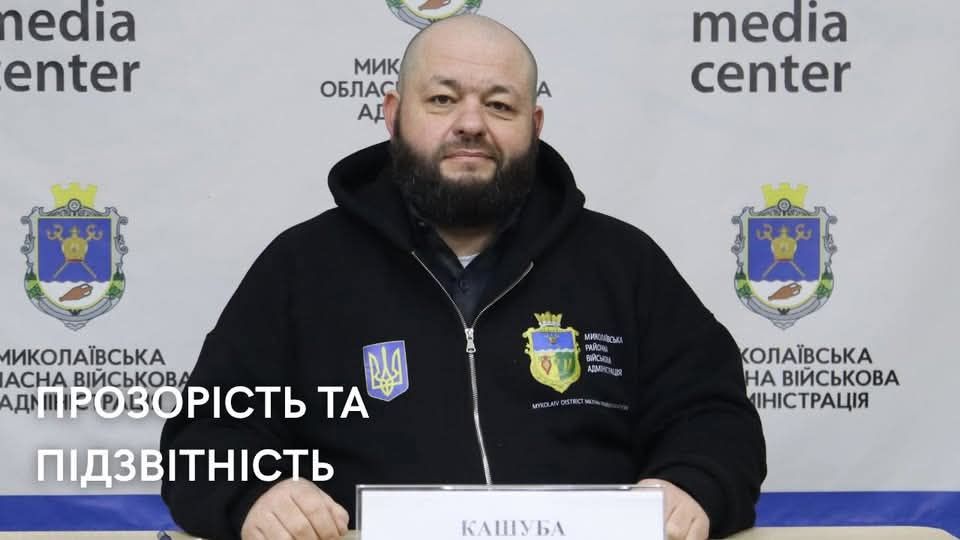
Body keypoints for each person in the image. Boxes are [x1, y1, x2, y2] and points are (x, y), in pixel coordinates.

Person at [160, 14, 766, 540]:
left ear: (535, 125)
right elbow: (202, 440)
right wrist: (256, 495)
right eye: (442, 99)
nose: (471, 123)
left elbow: (716, 417)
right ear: (394, 115)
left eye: (499, 105)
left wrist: (692, 482)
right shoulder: (302, 266)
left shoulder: (622, 261)